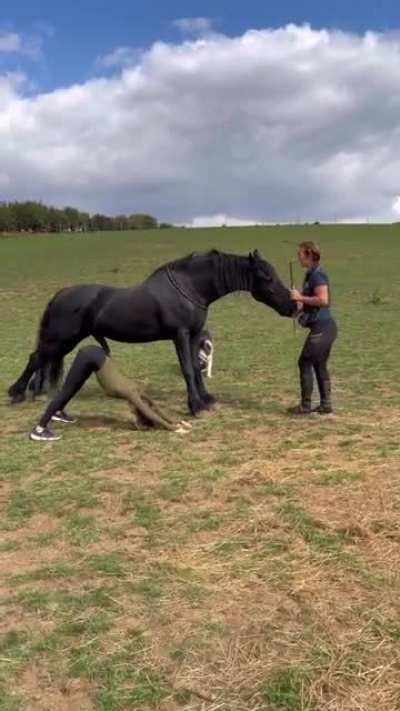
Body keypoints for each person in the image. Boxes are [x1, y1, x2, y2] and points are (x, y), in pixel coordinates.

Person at [29, 345, 192, 441]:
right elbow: (149, 411)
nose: (134, 410)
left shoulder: (137, 388)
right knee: (65, 392)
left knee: (72, 388)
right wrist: (172, 428)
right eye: (136, 411)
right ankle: (39, 429)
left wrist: (177, 421)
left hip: (98, 357)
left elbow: (154, 406)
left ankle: (58, 411)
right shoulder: (132, 394)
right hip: (90, 356)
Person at [288, 240, 338, 415]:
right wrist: (298, 303)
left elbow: (323, 300)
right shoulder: (311, 274)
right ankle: (325, 405)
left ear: (309, 254)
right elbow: (312, 302)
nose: (298, 257)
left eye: (300, 253)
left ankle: (305, 405)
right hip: (325, 327)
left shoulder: (317, 275)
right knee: (319, 364)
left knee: (305, 362)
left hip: (323, 328)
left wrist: (300, 297)